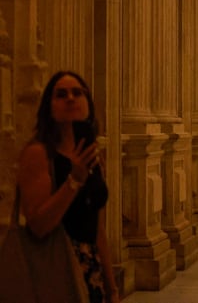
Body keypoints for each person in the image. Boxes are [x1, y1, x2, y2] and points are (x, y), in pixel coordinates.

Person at [16, 71, 119, 302]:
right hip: (55, 270)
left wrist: (111, 287)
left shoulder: (90, 155)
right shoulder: (39, 154)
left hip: (91, 274)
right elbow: (38, 225)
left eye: (78, 93)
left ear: (88, 104)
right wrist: (74, 180)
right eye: (61, 94)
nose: (71, 98)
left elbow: (97, 227)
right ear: (49, 107)